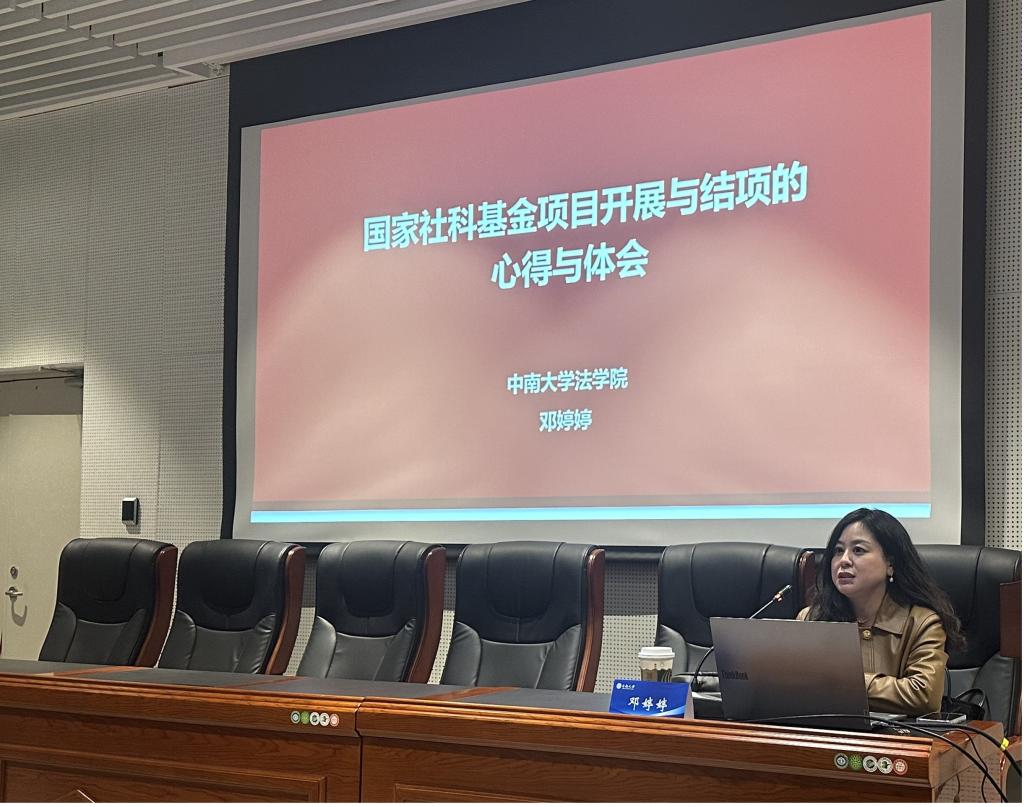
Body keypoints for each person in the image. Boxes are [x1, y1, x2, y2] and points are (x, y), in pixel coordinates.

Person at [799, 508, 963, 716]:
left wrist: (847, 682)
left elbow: (923, 696)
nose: (844, 560)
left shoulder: (922, 623)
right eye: (838, 551)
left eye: (858, 550)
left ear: (890, 564)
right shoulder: (812, 618)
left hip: (897, 735)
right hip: (823, 732)